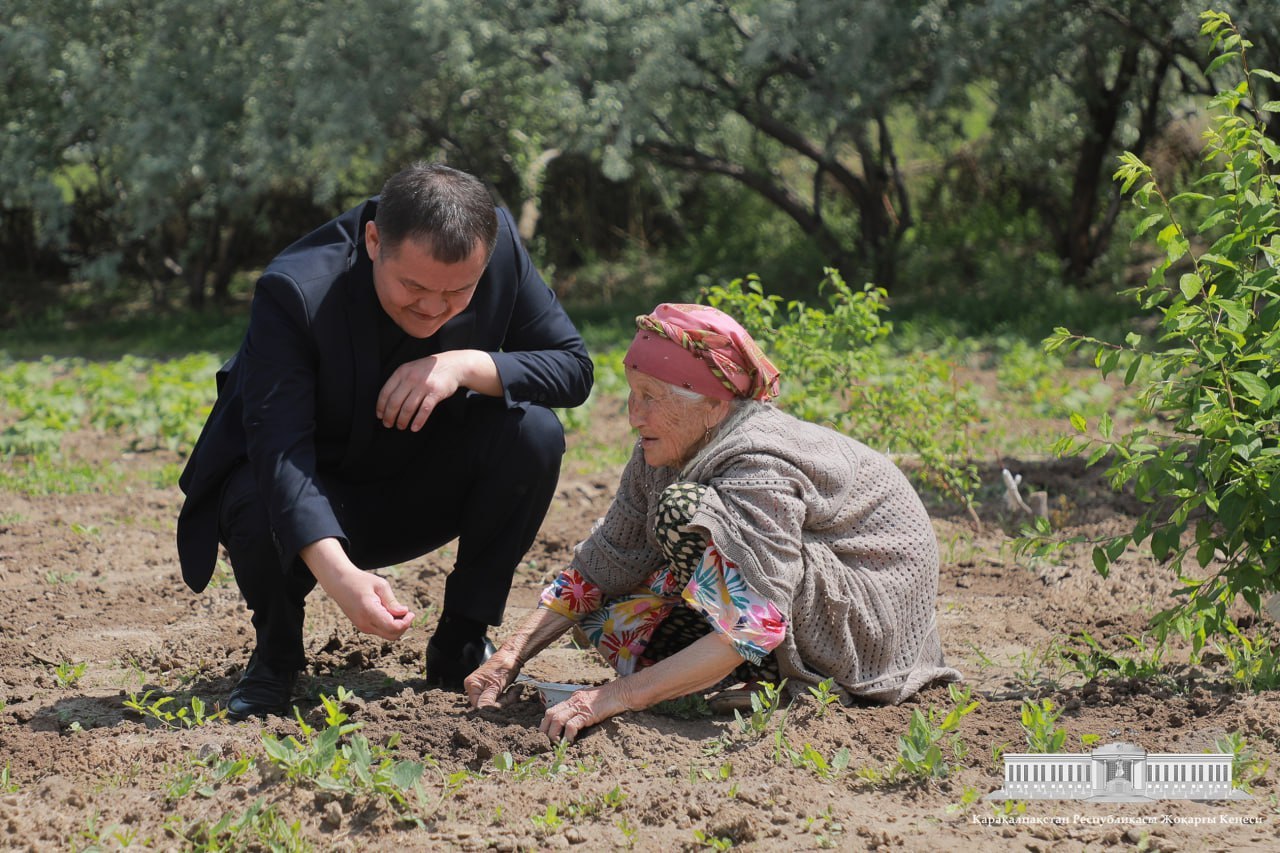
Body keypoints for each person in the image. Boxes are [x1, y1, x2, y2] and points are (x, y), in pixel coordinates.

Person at [177, 162, 593, 720]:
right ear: (374, 240)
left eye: (458, 292)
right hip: (304, 503)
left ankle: (460, 640)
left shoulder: (498, 248)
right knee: (250, 489)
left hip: (418, 486)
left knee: (534, 433)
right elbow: (280, 454)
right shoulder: (296, 289)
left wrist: (465, 364)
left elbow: (573, 368)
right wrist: (339, 572)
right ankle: (276, 653)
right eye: (414, 286)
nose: (431, 308)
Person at [466, 303, 959, 742]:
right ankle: (739, 679)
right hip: (793, 594)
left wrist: (614, 697)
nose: (634, 416)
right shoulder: (658, 452)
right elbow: (603, 563)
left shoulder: (758, 463)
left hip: (868, 614)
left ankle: (783, 679)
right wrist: (510, 656)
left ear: (713, 405)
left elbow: (754, 625)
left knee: (686, 511)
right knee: (606, 609)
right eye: (632, 394)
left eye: (652, 397)